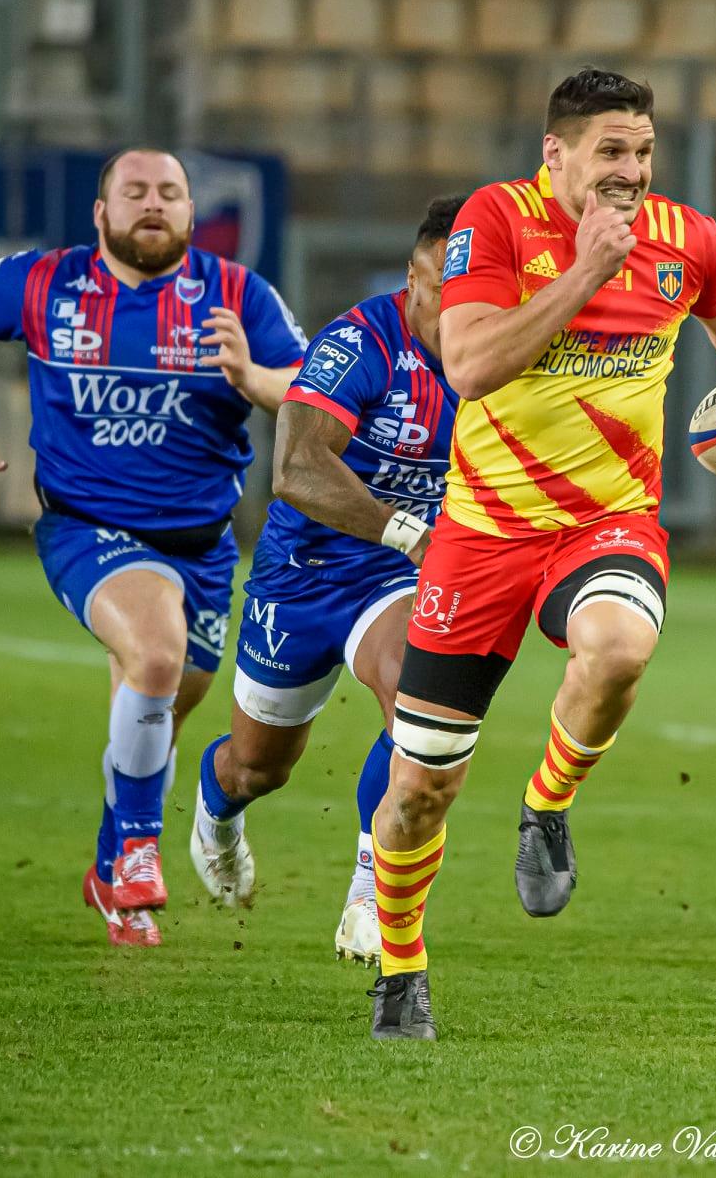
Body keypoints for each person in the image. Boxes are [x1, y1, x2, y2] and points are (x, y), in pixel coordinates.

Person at [366, 68, 716, 1040]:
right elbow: (472, 365)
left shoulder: (685, 239)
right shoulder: (493, 224)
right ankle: (401, 967)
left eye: (644, 153)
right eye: (612, 152)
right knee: (420, 790)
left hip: (607, 522)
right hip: (482, 537)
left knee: (620, 645)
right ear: (557, 155)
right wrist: (583, 271)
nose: (631, 172)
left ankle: (547, 804)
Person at [0, 148, 307, 946]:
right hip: (85, 527)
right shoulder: (43, 283)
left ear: (193, 214)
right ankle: (136, 850)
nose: (153, 205)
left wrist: (251, 377)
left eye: (170, 193)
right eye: (134, 192)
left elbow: (309, 397)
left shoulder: (238, 296)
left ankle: (107, 871)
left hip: (202, 548)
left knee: (158, 704)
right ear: (101, 213)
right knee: (157, 657)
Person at [192, 195, 465, 969]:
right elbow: (298, 469)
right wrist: (408, 529)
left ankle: (368, 893)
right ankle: (217, 812)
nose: (456, 308)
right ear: (411, 283)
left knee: (419, 693)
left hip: (397, 575)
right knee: (259, 765)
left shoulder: (502, 357)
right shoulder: (360, 342)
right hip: (305, 571)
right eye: (440, 288)